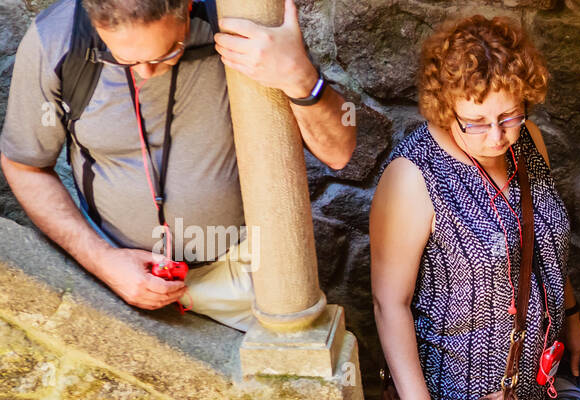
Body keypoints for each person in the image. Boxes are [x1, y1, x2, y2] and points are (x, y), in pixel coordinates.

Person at [0, 0, 356, 331]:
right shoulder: (56, 39)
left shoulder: (236, 20)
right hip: (111, 274)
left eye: (165, 54)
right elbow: (25, 166)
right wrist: (104, 260)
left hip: (238, 275)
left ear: (186, 7)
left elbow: (339, 153)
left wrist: (301, 79)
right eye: (123, 61)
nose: (145, 74)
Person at [370, 14, 580, 400]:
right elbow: (390, 304)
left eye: (509, 116)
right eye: (477, 122)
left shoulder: (528, 143)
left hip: (531, 391)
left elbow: (544, 242)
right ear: (445, 107)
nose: (496, 136)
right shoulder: (414, 176)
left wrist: (572, 321)